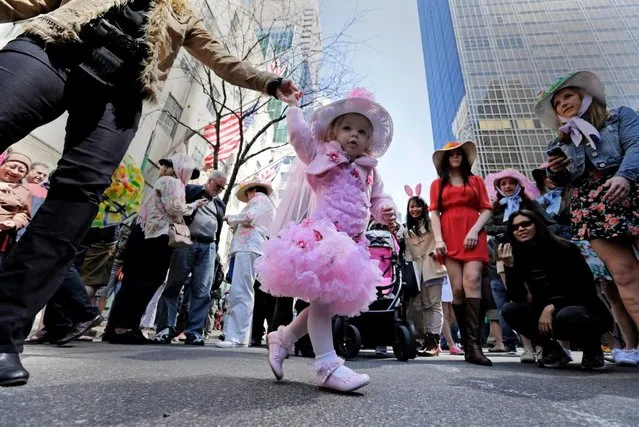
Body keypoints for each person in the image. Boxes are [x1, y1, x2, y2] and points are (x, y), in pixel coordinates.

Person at [0, 1, 299, 386]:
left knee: (78, 195)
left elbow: (222, 59)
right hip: (53, 49)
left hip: (120, 95)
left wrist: (269, 83)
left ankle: (5, 332)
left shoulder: (182, 15)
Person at [255, 88, 397, 392]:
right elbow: (299, 138)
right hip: (322, 240)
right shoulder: (322, 154)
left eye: (362, 131)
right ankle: (327, 366)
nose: (354, 135)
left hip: (351, 247)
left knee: (327, 305)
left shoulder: (369, 170)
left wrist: (385, 210)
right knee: (321, 303)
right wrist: (294, 108)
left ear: (369, 140)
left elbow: (376, 199)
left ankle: (284, 337)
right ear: (333, 131)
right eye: (347, 128)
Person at [536, 71, 639, 366]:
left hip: (630, 190)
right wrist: (555, 171)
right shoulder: (562, 141)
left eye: (568, 95)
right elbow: (565, 181)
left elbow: (636, 146)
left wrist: (625, 177)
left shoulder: (620, 117)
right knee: (623, 275)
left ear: (584, 96)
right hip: (593, 206)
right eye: (557, 102)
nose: (563, 104)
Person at [102, 154, 205, 344]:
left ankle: (116, 327)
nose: (189, 177)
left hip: (143, 236)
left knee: (132, 281)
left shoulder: (163, 181)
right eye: (190, 172)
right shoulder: (172, 183)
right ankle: (125, 327)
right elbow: (174, 208)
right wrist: (194, 205)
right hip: (156, 238)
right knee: (146, 281)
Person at [498, 209, 612, 370]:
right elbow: (517, 297)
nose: (521, 229)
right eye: (515, 227)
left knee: (568, 314)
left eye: (525, 224)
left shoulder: (564, 248)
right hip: (546, 315)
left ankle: (592, 349)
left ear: (537, 225)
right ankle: (553, 351)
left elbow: (585, 291)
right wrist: (510, 267)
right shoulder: (519, 256)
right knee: (509, 309)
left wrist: (552, 307)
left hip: (583, 312)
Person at [429, 141, 493, 366]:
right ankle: (467, 341)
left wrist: (475, 230)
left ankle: (475, 346)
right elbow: (434, 213)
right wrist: (438, 240)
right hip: (448, 236)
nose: (455, 157)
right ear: (446, 160)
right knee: (457, 289)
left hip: (473, 233)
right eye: (451, 155)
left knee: (473, 280)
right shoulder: (438, 184)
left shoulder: (476, 181)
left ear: (464, 158)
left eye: (459, 154)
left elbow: (486, 208)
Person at [155, 170, 227, 346]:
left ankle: (194, 331)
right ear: (209, 181)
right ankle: (165, 328)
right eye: (217, 185)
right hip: (187, 242)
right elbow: (177, 209)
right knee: (174, 285)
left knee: (202, 291)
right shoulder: (191, 191)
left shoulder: (219, 204)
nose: (219, 190)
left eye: (222, 188)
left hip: (208, 247)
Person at [484, 168, 546, 355]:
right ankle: (527, 346)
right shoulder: (496, 208)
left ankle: (543, 345)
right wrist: (510, 229)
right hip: (502, 258)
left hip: (532, 257)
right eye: (503, 184)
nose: (508, 186)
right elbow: (489, 227)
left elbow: (545, 223)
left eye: (511, 183)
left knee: (534, 298)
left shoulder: (531, 204)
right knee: (513, 300)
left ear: (519, 184)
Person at [216, 180, 275, 348]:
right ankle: (236, 334)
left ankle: (236, 336)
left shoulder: (258, 200)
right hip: (251, 247)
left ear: (251, 191)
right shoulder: (266, 203)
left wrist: (232, 218)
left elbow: (250, 217)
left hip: (248, 246)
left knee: (241, 290)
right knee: (242, 290)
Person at [400, 185, 447, 357]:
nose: (415, 209)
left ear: (424, 207)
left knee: (433, 305)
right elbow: (405, 251)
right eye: (411, 206)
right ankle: (420, 340)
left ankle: (433, 343)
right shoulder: (406, 229)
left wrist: (437, 251)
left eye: (418, 205)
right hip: (415, 271)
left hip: (433, 267)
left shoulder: (432, 223)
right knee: (417, 307)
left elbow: (442, 240)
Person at [0, 152, 32, 263]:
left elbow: (24, 214)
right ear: (3, 164)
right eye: (12, 166)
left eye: (21, 170)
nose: (14, 172)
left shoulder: (25, 192)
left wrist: (14, 223)